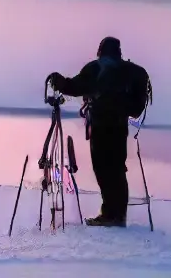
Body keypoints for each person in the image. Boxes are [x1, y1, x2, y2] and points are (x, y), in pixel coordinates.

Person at [46, 36, 130, 227]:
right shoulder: (127, 71)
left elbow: (76, 86)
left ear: (100, 50)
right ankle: (118, 215)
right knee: (117, 169)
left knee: (103, 168)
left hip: (101, 125)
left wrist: (59, 82)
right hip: (119, 127)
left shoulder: (96, 68)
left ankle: (110, 215)